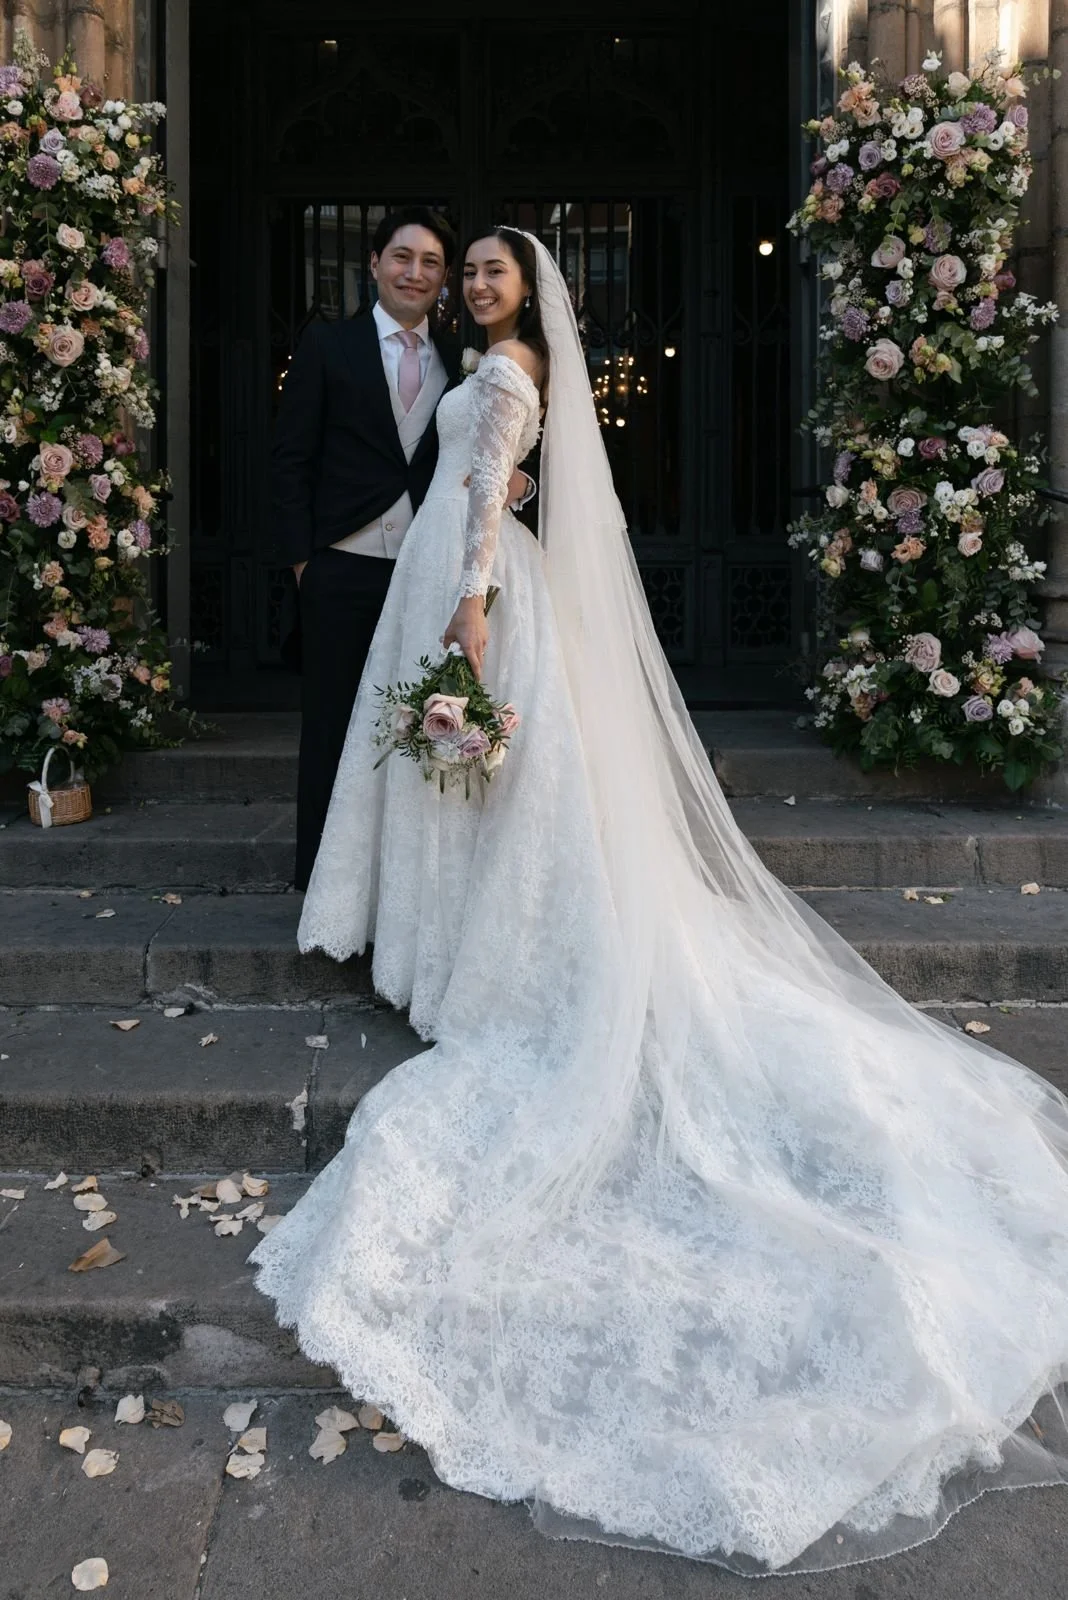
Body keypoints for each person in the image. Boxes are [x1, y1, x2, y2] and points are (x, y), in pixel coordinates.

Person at [250, 228, 1068, 1575]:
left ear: (529, 290)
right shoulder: (488, 362)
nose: (474, 285)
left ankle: (464, 947)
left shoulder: (504, 372)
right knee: (464, 783)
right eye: (466, 272)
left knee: (479, 776)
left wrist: (469, 607)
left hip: (467, 581)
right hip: (442, 571)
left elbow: (484, 489)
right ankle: (431, 933)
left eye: (492, 272)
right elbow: (483, 472)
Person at [271, 207, 530, 889]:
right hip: (341, 565)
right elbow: (290, 460)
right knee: (333, 727)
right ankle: (320, 882)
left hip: (425, 571)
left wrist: (521, 482)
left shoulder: (463, 357)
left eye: (431, 264)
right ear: (376, 263)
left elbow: (489, 452)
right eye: (402, 257)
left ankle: (393, 892)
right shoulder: (328, 345)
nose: (415, 273)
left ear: (443, 280)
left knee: (410, 725)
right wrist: (305, 566)